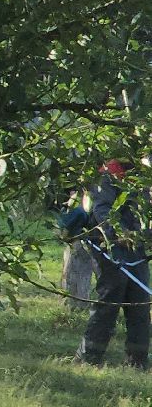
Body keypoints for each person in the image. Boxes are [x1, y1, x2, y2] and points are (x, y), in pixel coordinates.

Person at [62, 158, 151, 369]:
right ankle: (89, 358)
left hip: (136, 247)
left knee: (140, 301)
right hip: (109, 245)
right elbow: (102, 212)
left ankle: (137, 361)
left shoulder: (142, 178)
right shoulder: (108, 176)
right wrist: (120, 234)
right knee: (110, 298)